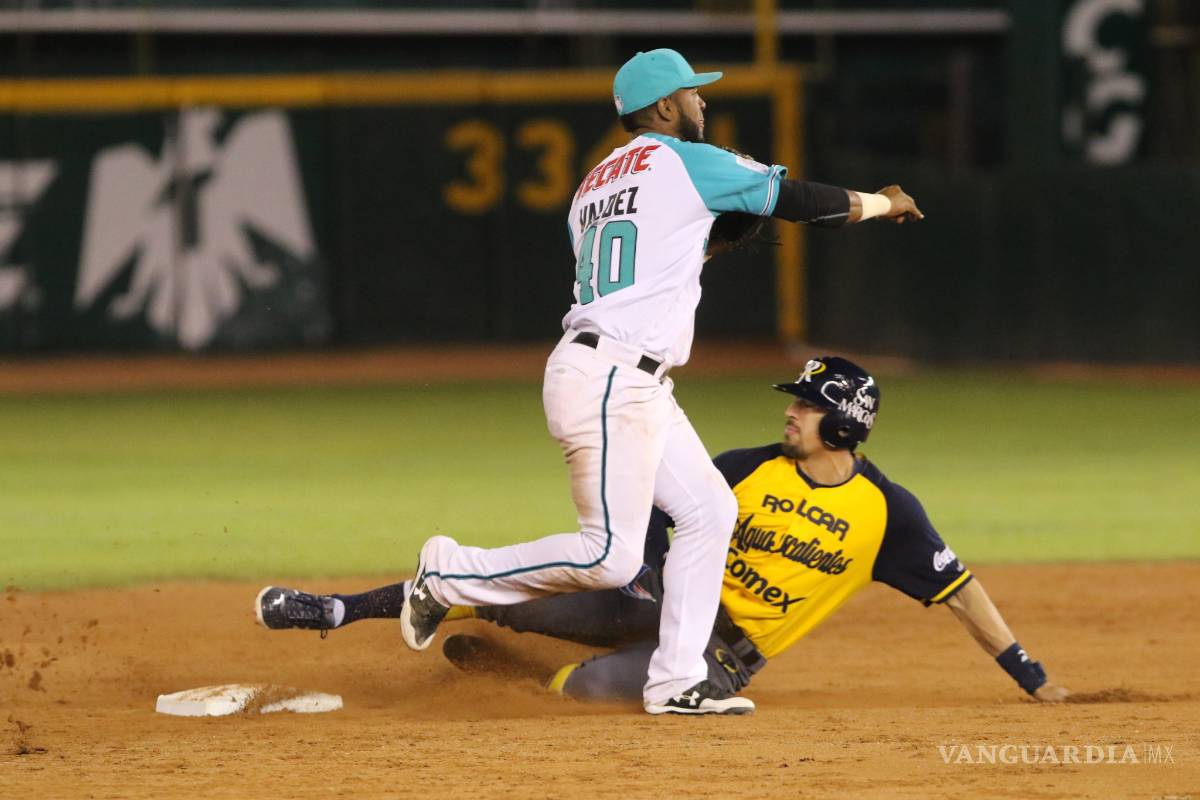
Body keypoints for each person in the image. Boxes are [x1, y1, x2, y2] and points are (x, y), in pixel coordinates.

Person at [258, 48, 925, 716]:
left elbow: (646, 259)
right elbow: (799, 201)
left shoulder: (592, 185)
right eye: (693, 94)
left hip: (624, 377)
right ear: (664, 107)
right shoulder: (688, 160)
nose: (702, 102)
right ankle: (448, 570)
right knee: (609, 556)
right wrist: (880, 202)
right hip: (612, 376)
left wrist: (705, 242)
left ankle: (675, 680)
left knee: (710, 511)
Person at [256, 356, 1070, 707]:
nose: (791, 409)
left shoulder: (890, 515)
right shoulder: (747, 466)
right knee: (527, 590)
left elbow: (963, 595)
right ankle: (336, 610)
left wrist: (1032, 677)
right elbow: (647, 519)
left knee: (583, 697)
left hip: (723, 656)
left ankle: (517, 674)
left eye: (808, 404)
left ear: (846, 425)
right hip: (662, 602)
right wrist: (631, 573)